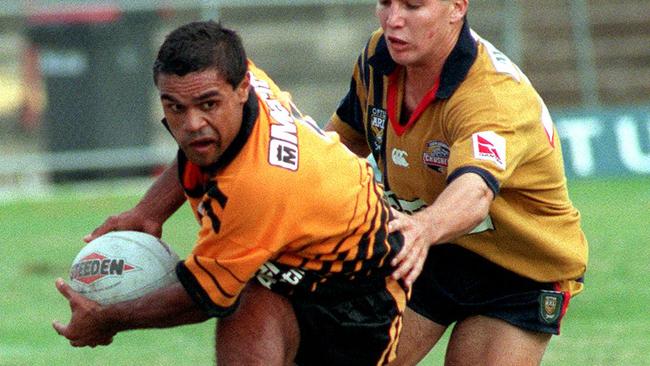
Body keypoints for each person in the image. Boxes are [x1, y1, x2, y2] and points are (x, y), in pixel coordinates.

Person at [53, 20, 409, 366]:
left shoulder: (258, 183)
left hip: (355, 295)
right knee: (248, 301)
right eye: (175, 107)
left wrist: (106, 318)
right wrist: (149, 211)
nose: (192, 123)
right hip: (277, 269)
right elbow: (198, 149)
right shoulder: (231, 75)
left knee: (235, 292)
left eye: (208, 105)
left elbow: (204, 297)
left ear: (242, 90)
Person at [324, 0, 589, 364]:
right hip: (431, 251)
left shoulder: (492, 94)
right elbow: (338, 146)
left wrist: (422, 228)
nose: (393, 19)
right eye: (385, 2)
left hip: (519, 270)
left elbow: (475, 191)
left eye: (413, 6)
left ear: (457, 7)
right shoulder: (378, 58)